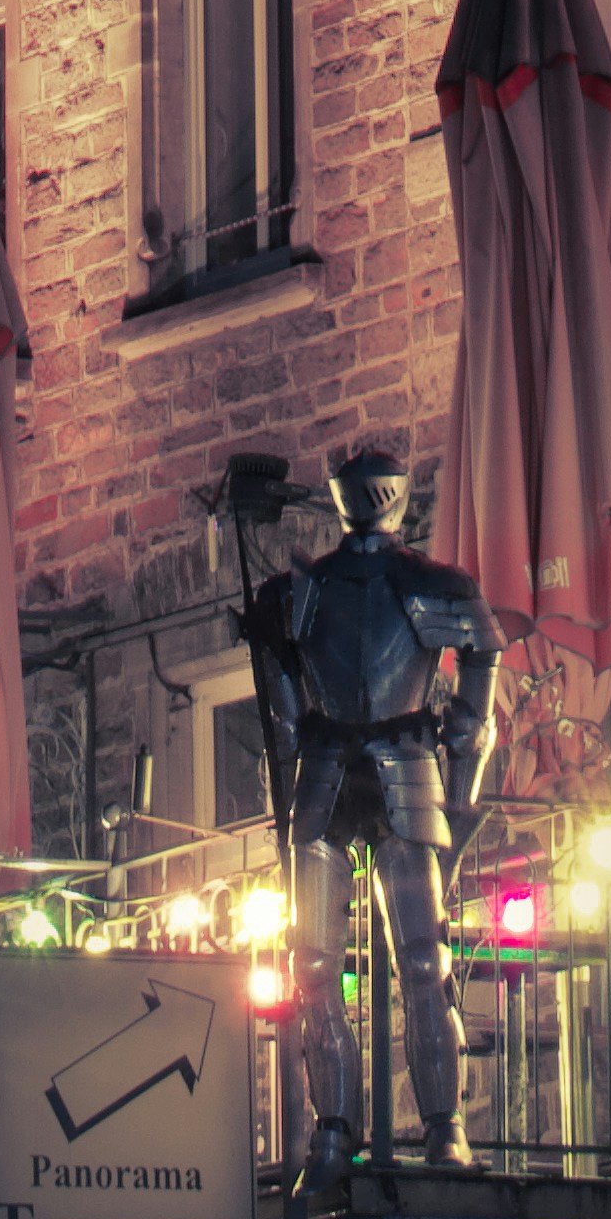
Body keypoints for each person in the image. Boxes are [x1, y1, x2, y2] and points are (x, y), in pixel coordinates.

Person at [243, 442, 500, 1171]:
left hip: (399, 763)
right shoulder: (302, 592)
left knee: (424, 959)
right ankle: (334, 1126)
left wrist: (461, 762)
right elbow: (285, 693)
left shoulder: (433, 583)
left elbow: (481, 660)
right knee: (316, 966)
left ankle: (444, 1124)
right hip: (327, 770)